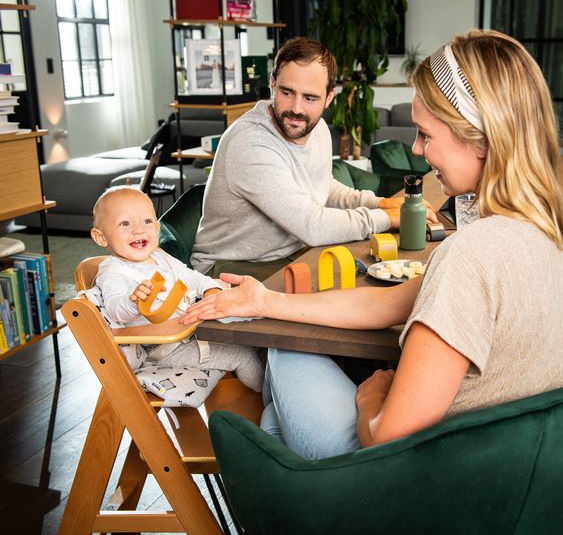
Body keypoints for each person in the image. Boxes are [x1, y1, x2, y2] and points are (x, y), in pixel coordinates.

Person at [180, 29, 563, 459]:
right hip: (496, 469)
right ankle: (285, 498)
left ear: (479, 138)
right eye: (287, 91)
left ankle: (288, 500)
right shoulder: (542, 230)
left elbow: (384, 437)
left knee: (286, 352)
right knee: (280, 402)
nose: (417, 150)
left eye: (425, 135)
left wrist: (372, 396)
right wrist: (265, 301)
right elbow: (392, 302)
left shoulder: (469, 256)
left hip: (401, 475)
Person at [190, 37, 437, 281]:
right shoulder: (250, 143)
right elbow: (312, 225)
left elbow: (321, 184)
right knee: (349, 288)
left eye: (310, 98)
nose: (296, 109)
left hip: (292, 252)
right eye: (287, 92)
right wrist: (386, 218)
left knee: (370, 272)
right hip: (229, 269)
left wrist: (379, 204)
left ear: (329, 98)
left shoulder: (314, 128)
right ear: (272, 83)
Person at [89, 186, 263, 408]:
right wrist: (133, 302)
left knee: (255, 335)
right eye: (125, 224)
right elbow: (115, 309)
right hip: (166, 349)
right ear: (101, 237)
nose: (138, 230)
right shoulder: (114, 271)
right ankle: (269, 404)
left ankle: (254, 402)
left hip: (191, 331)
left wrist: (210, 290)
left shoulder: (160, 258)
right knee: (243, 355)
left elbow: (191, 277)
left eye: (147, 222)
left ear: (158, 227)